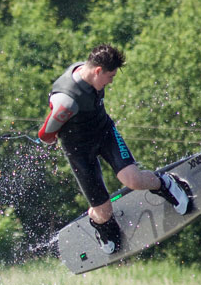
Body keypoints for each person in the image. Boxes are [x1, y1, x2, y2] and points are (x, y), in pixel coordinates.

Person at [37, 44, 190, 254]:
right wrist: (53, 135)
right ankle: (101, 225)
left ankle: (165, 183)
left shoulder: (88, 71)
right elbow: (45, 135)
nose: (111, 82)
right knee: (103, 211)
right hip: (79, 151)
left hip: (105, 133)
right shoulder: (67, 100)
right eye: (110, 77)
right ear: (98, 71)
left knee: (133, 180)